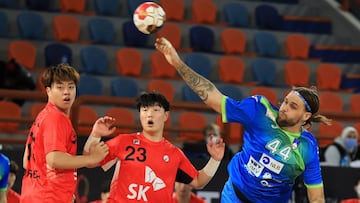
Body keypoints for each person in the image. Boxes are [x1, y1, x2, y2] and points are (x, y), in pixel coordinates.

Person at [155, 37, 330, 203]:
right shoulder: (259, 110)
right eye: (285, 101)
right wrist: (177, 63)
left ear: (306, 116)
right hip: (234, 195)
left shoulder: (307, 146)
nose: (284, 107)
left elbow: (316, 195)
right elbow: (213, 97)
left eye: (293, 106)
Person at [83, 92, 225, 202]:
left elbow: (198, 182)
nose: (149, 114)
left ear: (166, 116)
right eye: (145, 110)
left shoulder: (174, 154)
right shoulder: (123, 142)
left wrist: (215, 159)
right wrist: (95, 134)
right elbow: (89, 160)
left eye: (156, 110)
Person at [20, 64, 115, 203]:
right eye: (60, 87)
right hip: (48, 197)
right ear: (48, 90)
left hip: (34, 193)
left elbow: (26, 161)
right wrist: (91, 158)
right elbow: (54, 159)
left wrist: (95, 134)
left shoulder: (43, 116)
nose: (66, 92)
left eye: (71, 87)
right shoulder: (56, 118)